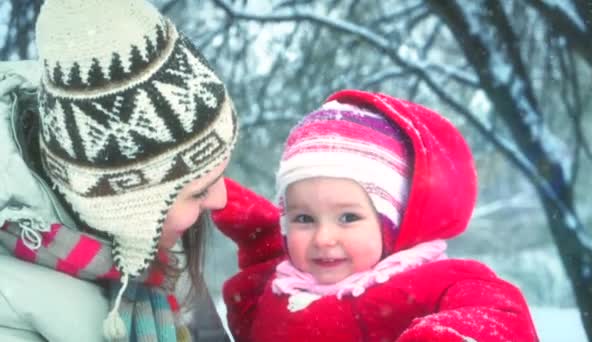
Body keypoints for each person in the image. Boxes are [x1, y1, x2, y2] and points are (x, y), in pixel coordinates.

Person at [211, 89, 539, 341]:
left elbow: (498, 316)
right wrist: (252, 231)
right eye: (304, 219)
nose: (324, 238)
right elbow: (252, 316)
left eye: (348, 218)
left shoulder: (433, 285)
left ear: (392, 226)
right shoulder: (281, 285)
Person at [0, 0, 238, 341]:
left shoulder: (159, 255)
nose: (222, 199)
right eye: (199, 190)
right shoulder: (11, 316)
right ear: (121, 205)